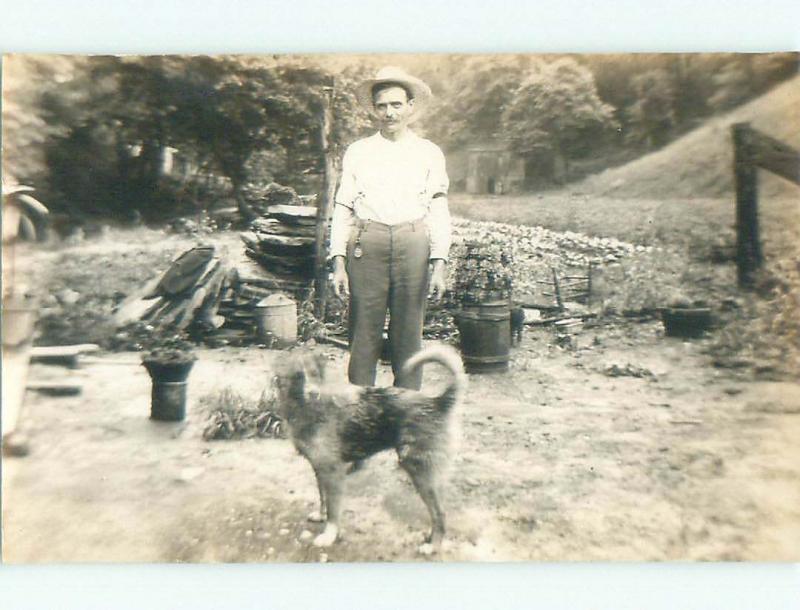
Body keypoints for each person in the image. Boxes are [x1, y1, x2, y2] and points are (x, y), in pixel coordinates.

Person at [328, 66, 452, 391]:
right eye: (382, 106)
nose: (389, 113)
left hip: (413, 243)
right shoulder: (359, 151)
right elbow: (343, 207)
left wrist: (439, 263)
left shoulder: (428, 152)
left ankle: (406, 414)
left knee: (408, 333)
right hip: (368, 244)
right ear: (374, 110)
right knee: (363, 331)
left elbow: (439, 209)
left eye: (397, 104)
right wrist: (338, 262)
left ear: (410, 106)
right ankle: (359, 412)